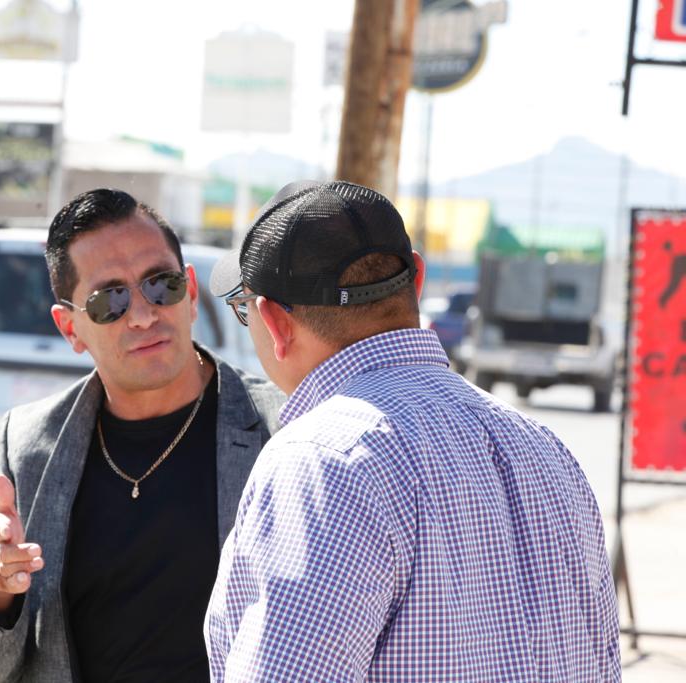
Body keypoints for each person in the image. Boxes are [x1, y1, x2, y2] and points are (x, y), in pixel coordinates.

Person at [205, 180, 620, 681]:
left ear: (273, 321)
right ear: (417, 279)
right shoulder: (543, 449)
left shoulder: (318, 460)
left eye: (243, 307)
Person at [0, 188, 284, 683]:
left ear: (190, 292)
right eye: (110, 301)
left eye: (161, 284)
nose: (144, 315)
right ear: (70, 328)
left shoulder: (284, 431)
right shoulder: (25, 450)